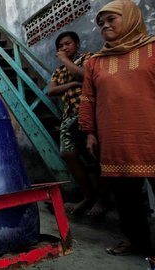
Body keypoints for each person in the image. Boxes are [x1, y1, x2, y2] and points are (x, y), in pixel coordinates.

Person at [79, 0, 155, 259]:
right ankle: (138, 242)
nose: (104, 25)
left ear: (132, 18)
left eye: (111, 19)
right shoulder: (95, 62)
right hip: (115, 140)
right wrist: (90, 132)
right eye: (100, 23)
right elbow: (88, 98)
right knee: (126, 198)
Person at [48, 31, 108, 216]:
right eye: (60, 47)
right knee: (68, 154)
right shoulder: (58, 71)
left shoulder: (88, 58)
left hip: (88, 112)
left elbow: (84, 76)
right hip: (69, 117)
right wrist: (72, 85)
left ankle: (101, 200)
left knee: (96, 155)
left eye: (67, 44)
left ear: (77, 44)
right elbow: (51, 91)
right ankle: (88, 196)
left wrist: (65, 60)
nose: (64, 48)